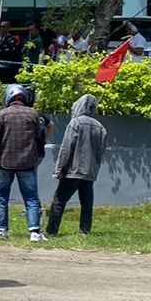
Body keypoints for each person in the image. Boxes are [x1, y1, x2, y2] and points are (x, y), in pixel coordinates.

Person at [0, 84, 51, 242]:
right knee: (31, 198)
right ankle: (34, 231)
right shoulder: (33, 114)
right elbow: (39, 135)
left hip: (5, 162)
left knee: (2, 198)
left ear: (8, 97)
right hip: (27, 163)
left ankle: (2, 230)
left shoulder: (2, 114)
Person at [46, 94, 107, 237]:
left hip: (73, 170)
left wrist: (59, 169)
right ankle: (84, 231)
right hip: (89, 171)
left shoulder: (76, 123)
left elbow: (67, 147)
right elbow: (101, 150)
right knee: (86, 202)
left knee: (59, 200)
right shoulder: (100, 127)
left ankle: (51, 231)